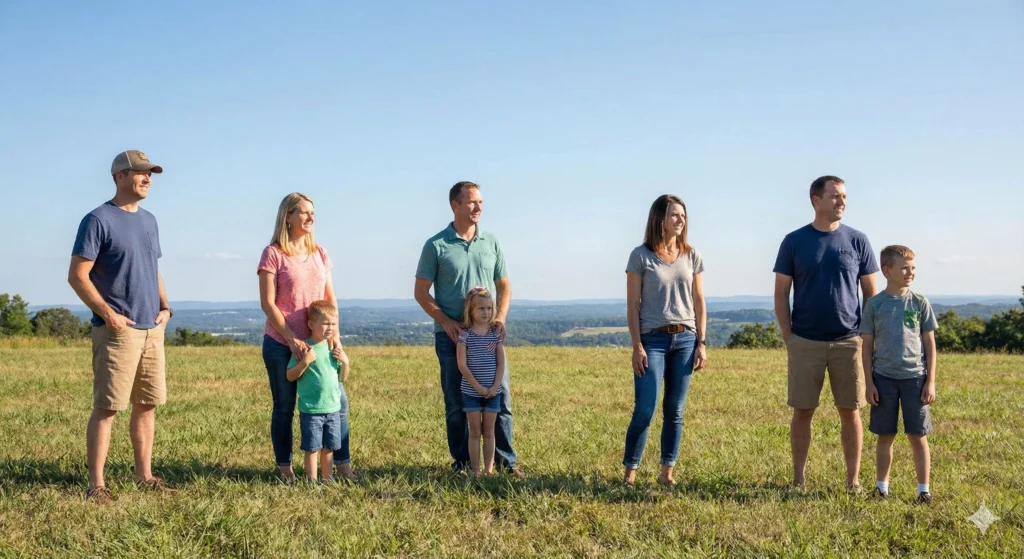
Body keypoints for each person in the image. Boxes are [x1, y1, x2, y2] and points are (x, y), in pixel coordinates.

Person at [68, 150, 177, 503]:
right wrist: (108, 314)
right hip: (117, 331)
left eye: (150, 174)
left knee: (147, 404)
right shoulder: (97, 219)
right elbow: (78, 276)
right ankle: (96, 485)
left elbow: (152, 267)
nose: (147, 178)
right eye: (140, 172)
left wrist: (165, 307)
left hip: (151, 328)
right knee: (108, 407)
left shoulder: (150, 221)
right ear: (118, 176)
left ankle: (144, 475)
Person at [773, 175, 879, 492]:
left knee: (851, 412)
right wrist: (788, 336)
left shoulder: (858, 240)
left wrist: (866, 337)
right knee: (803, 411)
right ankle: (799, 480)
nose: (842, 201)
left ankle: (853, 482)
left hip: (849, 341)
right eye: (835, 196)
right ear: (816, 200)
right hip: (805, 341)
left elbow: (871, 295)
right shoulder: (793, 241)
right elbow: (781, 293)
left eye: (844, 196)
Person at [414, 181, 522, 477]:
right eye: (472, 202)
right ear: (455, 205)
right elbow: (421, 291)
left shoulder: (492, 242)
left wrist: (500, 317)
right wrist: (446, 322)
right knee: (456, 400)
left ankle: (505, 462)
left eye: (481, 203)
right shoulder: (436, 245)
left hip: (489, 336)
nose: (479, 208)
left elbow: (504, 285)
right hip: (452, 337)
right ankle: (462, 463)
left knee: (501, 397)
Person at [258, 193, 351, 484]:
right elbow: (268, 303)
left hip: (320, 343)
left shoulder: (320, 253)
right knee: (284, 407)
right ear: (288, 216)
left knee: (338, 403)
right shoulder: (273, 253)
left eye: (313, 212)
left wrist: (335, 335)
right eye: (304, 212)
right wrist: (291, 339)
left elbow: (329, 298)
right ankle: (286, 470)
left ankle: (343, 467)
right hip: (280, 343)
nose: (311, 218)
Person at [622, 195, 708, 486]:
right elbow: (632, 304)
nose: (680, 220)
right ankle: (630, 472)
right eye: (674, 215)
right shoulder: (640, 256)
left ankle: (666, 472)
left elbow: (699, 301)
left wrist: (702, 342)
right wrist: (637, 346)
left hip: (685, 340)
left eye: (682, 215)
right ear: (659, 218)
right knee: (645, 409)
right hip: (652, 340)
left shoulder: (691, 255)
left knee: (675, 410)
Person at [861, 245, 938, 503]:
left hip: (915, 379)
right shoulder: (875, 305)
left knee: (918, 436)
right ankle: (881, 487)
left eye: (913, 268)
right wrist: (869, 382)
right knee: (885, 435)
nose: (910, 272)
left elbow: (929, 345)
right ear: (887, 271)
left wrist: (930, 381)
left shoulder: (919, 303)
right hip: (883, 379)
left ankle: (923, 490)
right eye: (904, 267)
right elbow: (867, 346)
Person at [286, 300, 354, 483]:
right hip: (311, 409)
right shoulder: (304, 348)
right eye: (325, 323)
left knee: (329, 447)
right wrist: (304, 362)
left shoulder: (333, 349)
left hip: (333, 408)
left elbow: (342, 378)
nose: (330, 328)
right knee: (312, 448)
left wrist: (346, 362)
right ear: (311, 324)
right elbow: (290, 376)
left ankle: (328, 478)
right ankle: (312, 481)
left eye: (333, 324)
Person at [456, 287, 506, 477]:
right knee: (475, 432)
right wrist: (477, 387)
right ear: (471, 310)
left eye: (489, 308)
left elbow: (501, 364)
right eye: (481, 308)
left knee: (489, 432)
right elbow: (462, 365)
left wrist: (494, 387)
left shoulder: (495, 334)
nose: (486, 312)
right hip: (471, 393)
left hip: (493, 393)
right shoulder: (465, 335)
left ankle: (489, 469)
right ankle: (475, 470)